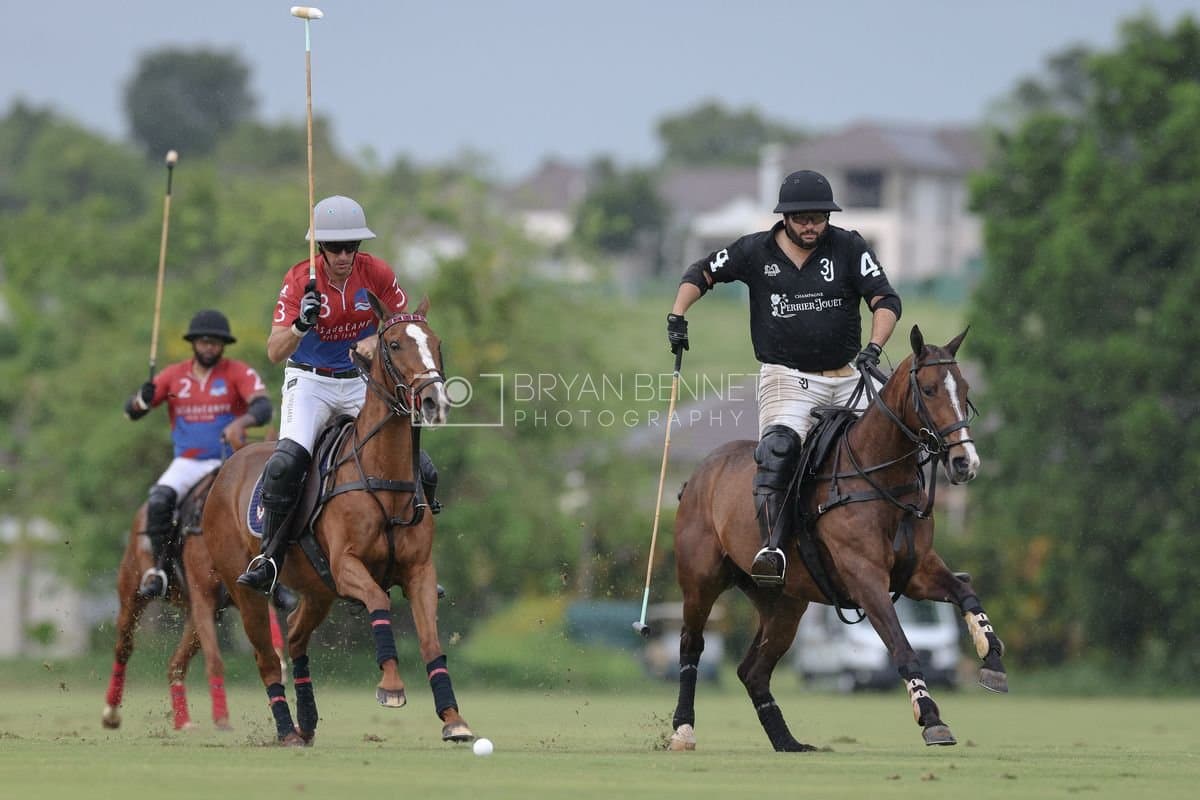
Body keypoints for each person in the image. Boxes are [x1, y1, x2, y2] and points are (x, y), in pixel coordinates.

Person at [666, 169, 902, 587]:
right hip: (787, 377)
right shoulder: (754, 250)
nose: (812, 226)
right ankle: (772, 546)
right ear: (786, 218)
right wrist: (678, 315)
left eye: (819, 217)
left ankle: (909, 530)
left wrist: (875, 347)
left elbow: (884, 298)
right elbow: (702, 272)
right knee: (778, 449)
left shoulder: (848, 246)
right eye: (803, 218)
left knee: (902, 430)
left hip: (849, 374)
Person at [236, 195, 441, 594]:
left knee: (422, 465)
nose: (345, 255)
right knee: (286, 463)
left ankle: (417, 554)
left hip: (359, 381)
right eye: (335, 247)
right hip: (310, 382)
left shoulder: (377, 273)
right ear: (320, 248)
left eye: (352, 246)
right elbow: (274, 351)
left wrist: (371, 338)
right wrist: (300, 324)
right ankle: (269, 558)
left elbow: (402, 326)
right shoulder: (300, 279)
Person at [125, 310, 272, 598]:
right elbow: (133, 412)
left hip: (231, 463)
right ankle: (160, 570)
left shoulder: (238, 372)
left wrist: (242, 422)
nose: (209, 347)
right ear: (193, 343)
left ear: (223, 345)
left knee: (263, 504)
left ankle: (272, 576)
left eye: (215, 342)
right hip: (189, 462)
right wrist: (141, 398)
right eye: (204, 341)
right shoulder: (173, 376)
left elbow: (263, 407)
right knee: (159, 500)